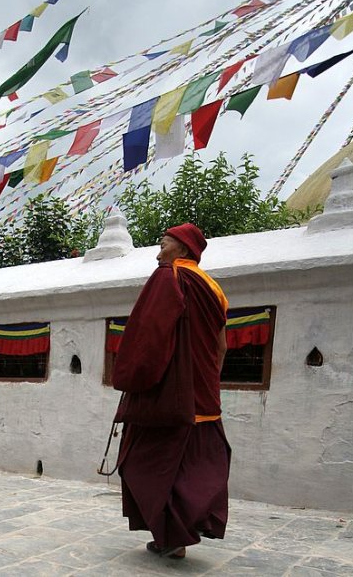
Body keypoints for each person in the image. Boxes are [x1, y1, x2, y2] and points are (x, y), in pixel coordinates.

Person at [112, 222, 231, 559]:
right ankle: (177, 535)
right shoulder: (214, 289)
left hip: (167, 395)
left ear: (181, 247)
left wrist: (135, 377)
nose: (158, 251)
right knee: (197, 469)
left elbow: (149, 337)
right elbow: (221, 347)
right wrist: (207, 379)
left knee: (144, 463)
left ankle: (172, 536)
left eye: (163, 243)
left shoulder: (169, 276)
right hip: (204, 396)